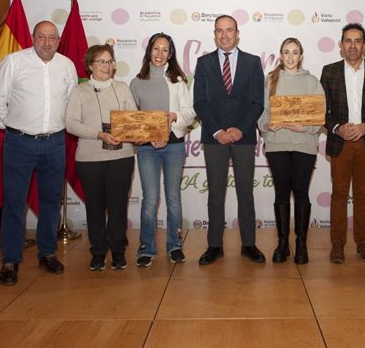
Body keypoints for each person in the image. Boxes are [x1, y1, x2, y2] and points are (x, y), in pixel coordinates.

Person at [0, 20, 77, 286]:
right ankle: (10, 260)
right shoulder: (14, 62)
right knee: (15, 203)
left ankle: (47, 253)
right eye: (41, 37)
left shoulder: (67, 66)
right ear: (32, 37)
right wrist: (16, 128)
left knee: (51, 202)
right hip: (19, 143)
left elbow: (71, 101)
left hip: (55, 143)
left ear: (58, 40)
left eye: (52, 37)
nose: (47, 42)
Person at [193, 15, 266, 265]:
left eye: (229, 30)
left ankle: (249, 244)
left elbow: (258, 102)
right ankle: (214, 245)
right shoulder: (203, 63)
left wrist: (240, 130)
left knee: (246, 192)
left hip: (243, 138)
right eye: (219, 31)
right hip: (214, 139)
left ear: (237, 33)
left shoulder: (253, 62)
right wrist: (217, 131)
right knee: (216, 193)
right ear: (214, 34)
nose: (224, 35)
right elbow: (199, 102)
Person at [320, 23, 365, 264]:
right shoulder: (329, 72)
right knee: (339, 194)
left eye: (357, 40)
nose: (352, 45)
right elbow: (321, 111)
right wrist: (339, 128)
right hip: (340, 143)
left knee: (362, 195)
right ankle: (337, 245)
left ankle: (363, 244)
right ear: (340, 46)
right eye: (347, 40)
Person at [65, 44, 137, 271]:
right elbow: (70, 123)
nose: (106, 66)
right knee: (95, 208)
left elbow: (134, 120)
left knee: (118, 207)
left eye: (109, 61)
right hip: (89, 158)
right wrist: (98, 134)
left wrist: (138, 131)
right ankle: (97, 252)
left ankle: (118, 251)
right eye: (101, 62)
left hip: (122, 156)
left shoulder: (123, 88)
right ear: (89, 66)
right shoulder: (79, 91)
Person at [130, 33, 195, 267]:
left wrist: (174, 116)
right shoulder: (137, 82)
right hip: (147, 148)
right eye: (156, 49)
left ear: (170, 53)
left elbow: (190, 112)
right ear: (149, 51)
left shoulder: (178, 79)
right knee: (149, 200)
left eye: (165, 50)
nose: (160, 54)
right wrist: (146, 136)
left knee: (173, 198)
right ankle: (147, 247)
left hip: (174, 146)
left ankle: (175, 245)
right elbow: (132, 119)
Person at [258, 38, 324, 264]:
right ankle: (283, 243)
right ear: (281, 55)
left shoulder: (312, 82)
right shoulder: (270, 80)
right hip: (277, 144)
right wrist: (268, 126)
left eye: (295, 52)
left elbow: (320, 117)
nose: (290, 57)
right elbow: (262, 115)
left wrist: (304, 127)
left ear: (301, 56)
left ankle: (301, 244)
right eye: (286, 52)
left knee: (302, 193)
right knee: (281, 193)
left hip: (304, 145)